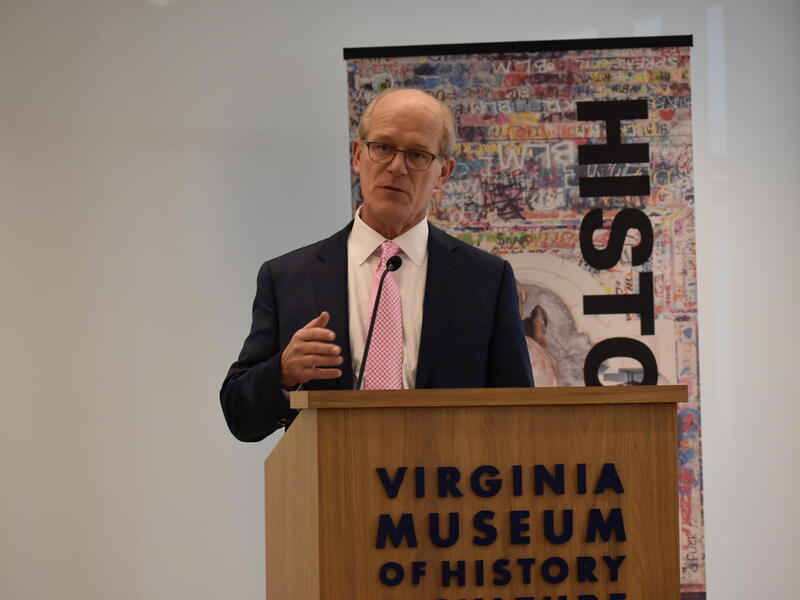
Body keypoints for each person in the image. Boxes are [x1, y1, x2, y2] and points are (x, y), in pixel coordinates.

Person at [220, 88, 533, 442]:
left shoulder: (486, 281)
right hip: (334, 487)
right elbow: (239, 416)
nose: (396, 167)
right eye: (382, 147)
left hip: (451, 487)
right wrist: (282, 372)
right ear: (358, 155)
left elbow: (519, 415)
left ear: (443, 173)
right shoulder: (287, 278)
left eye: (417, 155)